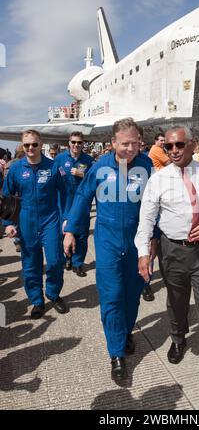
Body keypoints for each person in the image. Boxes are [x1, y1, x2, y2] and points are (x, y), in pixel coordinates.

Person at [135, 125, 199, 396]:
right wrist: (143, 252)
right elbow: (146, 218)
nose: (174, 151)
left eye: (179, 145)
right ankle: (178, 339)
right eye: (168, 146)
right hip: (173, 252)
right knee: (177, 302)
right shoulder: (158, 179)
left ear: (192, 144)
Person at [63, 118, 154, 380]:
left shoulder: (146, 165)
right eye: (125, 143)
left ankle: (125, 333)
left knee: (132, 294)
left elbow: (154, 206)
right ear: (113, 143)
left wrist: (154, 241)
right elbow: (82, 197)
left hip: (137, 243)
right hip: (108, 242)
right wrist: (70, 231)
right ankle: (116, 354)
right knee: (113, 296)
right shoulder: (100, 167)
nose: (130, 148)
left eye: (135, 143)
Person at [2, 129, 71, 319]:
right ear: (23, 147)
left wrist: (66, 219)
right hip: (26, 222)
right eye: (27, 145)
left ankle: (53, 294)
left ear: (41, 144)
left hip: (50, 220)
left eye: (34, 144)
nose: (31, 148)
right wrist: (7, 223)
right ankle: (37, 301)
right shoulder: (16, 169)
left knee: (56, 261)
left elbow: (64, 194)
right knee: (31, 264)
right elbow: (6, 197)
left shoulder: (54, 167)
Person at [55, 132, 94, 276]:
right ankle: (68, 258)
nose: (76, 145)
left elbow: (94, 179)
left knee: (82, 234)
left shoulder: (88, 160)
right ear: (69, 143)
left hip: (82, 201)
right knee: (64, 232)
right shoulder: (60, 159)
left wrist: (81, 174)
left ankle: (78, 263)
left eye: (79, 142)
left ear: (83, 144)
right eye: (73, 142)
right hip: (64, 201)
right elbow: (55, 176)